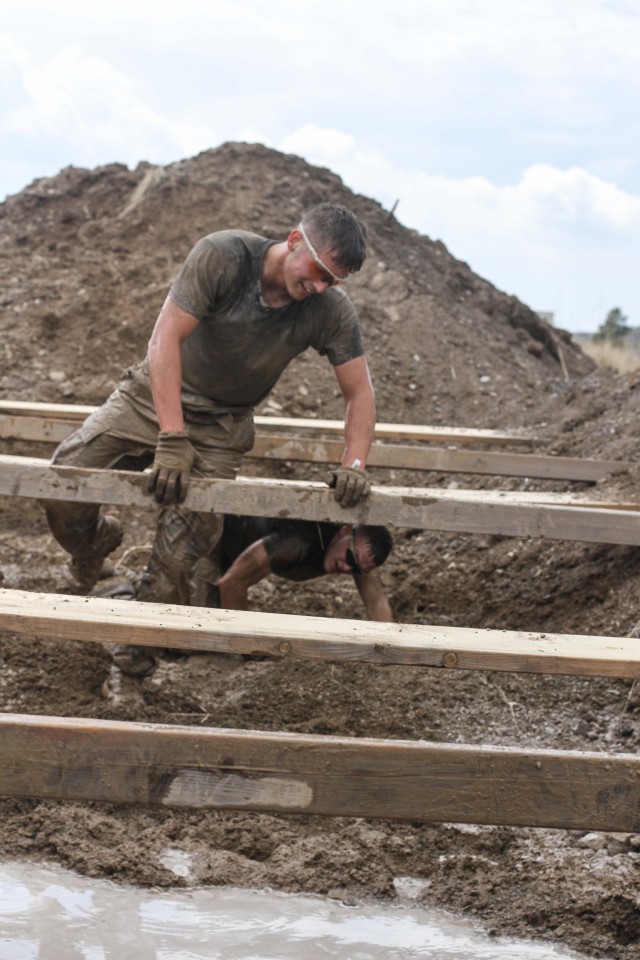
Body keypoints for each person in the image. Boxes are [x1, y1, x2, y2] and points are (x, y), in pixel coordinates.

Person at [43, 202, 376, 609]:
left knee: (181, 552)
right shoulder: (224, 256)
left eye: (335, 282)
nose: (322, 287)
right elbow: (164, 339)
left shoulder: (329, 311)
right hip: (150, 398)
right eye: (320, 273)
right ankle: (93, 545)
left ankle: (136, 658)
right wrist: (172, 435)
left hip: (220, 427)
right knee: (62, 483)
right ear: (294, 242)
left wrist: (354, 465)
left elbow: (359, 392)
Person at [99, 516, 393, 693]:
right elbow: (232, 583)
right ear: (345, 530)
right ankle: (120, 588)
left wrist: (389, 653)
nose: (347, 568)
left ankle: (138, 580)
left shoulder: (358, 556)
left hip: (238, 548)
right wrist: (244, 649)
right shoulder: (296, 544)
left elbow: (376, 600)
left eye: (358, 569)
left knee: (204, 620)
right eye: (349, 559)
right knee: (187, 636)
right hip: (212, 538)